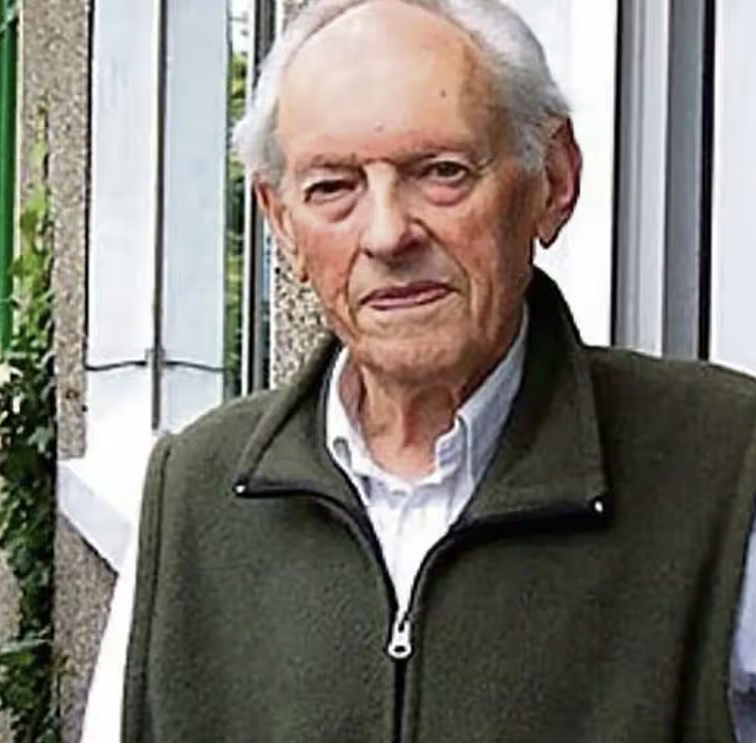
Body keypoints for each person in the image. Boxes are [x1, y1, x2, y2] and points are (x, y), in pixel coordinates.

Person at [81, 0, 756, 741]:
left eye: (441, 172)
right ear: (281, 223)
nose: (387, 234)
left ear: (553, 180)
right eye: (332, 187)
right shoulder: (194, 494)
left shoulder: (724, 467)